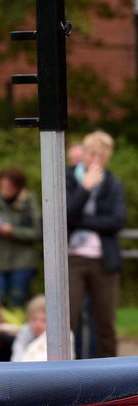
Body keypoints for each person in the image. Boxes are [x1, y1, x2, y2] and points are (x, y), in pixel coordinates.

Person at [66, 131, 126, 358]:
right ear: (84, 153)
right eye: (92, 154)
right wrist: (85, 189)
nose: (96, 161)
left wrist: (82, 221)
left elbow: (117, 221)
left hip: (104, 260)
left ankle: (111, 379)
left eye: (102, 156)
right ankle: (64, 375)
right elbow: (64, 215)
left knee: (105, 323)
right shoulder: (68, 178)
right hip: (72, 258)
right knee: (68, 320)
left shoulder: (113, 183)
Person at [0, 167, 40, 309]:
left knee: (18, 300)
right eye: (1, 187)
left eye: (8, 187)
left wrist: (13, 231)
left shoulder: (29, 202)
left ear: (18, 187)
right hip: (0, 260)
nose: (4, 191)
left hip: (23, 261)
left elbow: (37, 232)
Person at [11, 295, 73, 362]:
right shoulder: (25, 331)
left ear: (54, 322)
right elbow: (16, 357)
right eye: (34, 319)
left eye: (44, 320)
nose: (38, 325)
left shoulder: (63, 335)